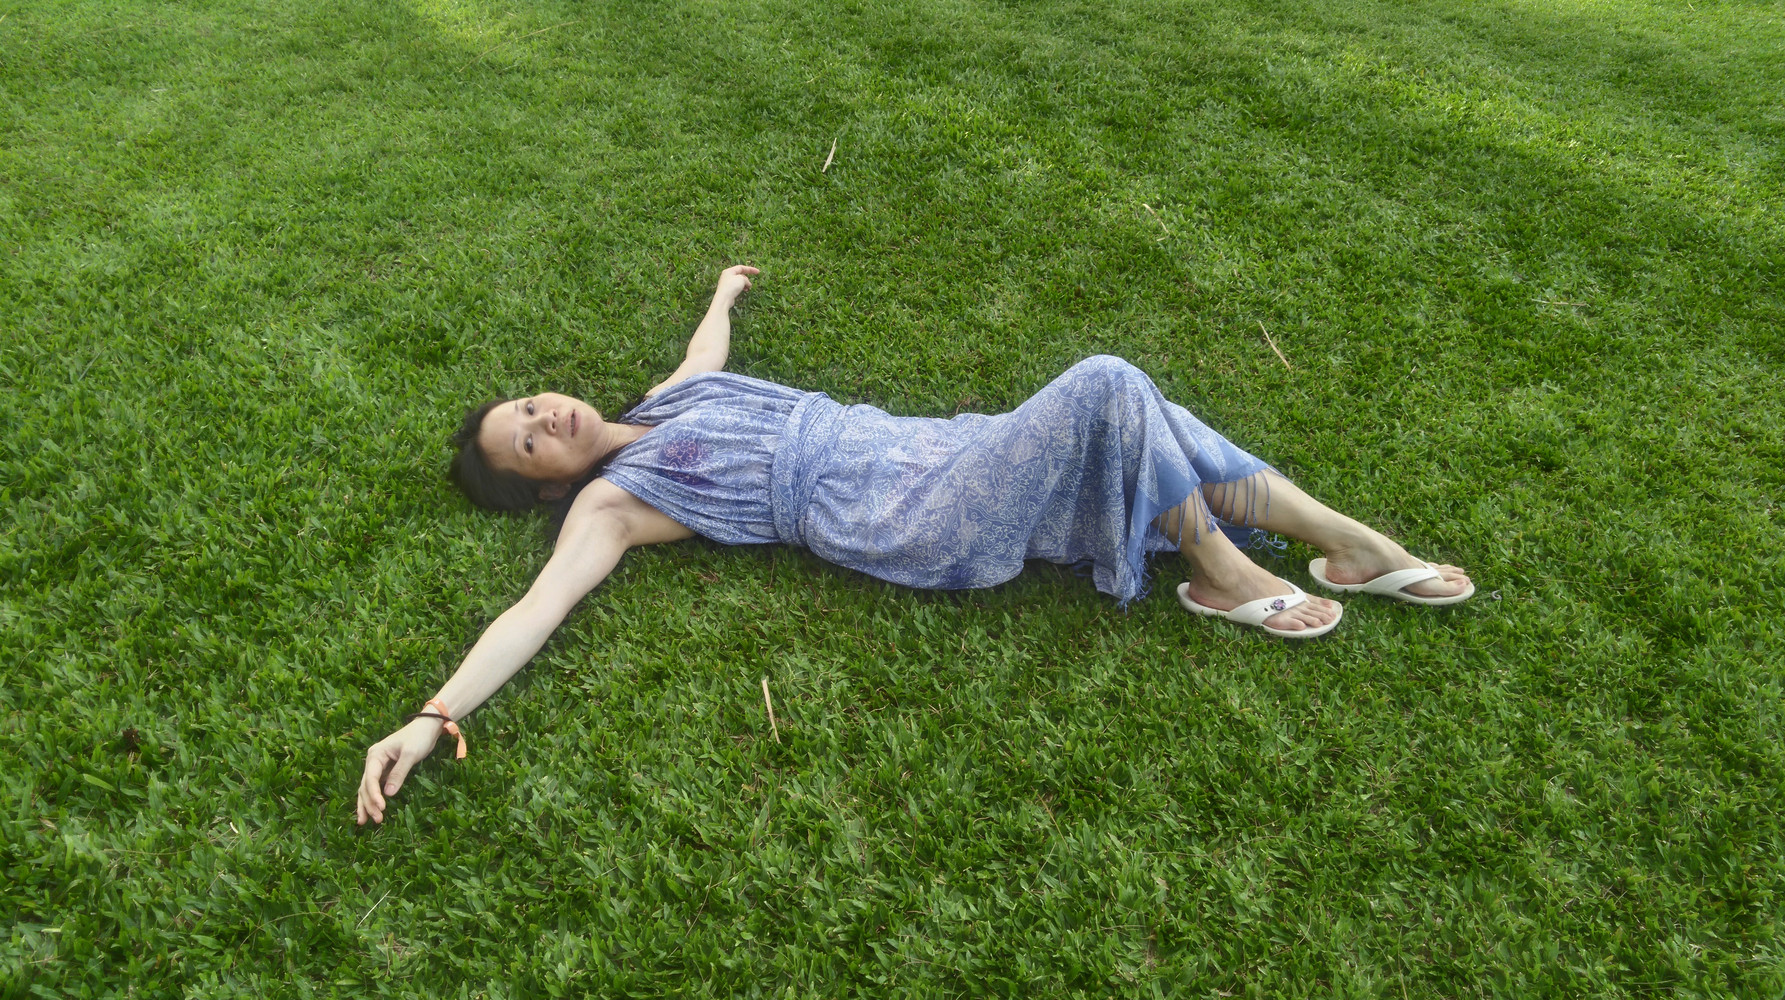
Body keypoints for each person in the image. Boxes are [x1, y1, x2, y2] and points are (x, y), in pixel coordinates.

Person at [355, 264, 1472, 825]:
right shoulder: (613, 503)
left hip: (947, 448)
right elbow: (536, 610)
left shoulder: (672, 396)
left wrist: (723, 289)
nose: (545, 418)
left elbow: (707, 345)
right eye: (528, 444)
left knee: (1153, 425)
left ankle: (1351, 545)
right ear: (545, 486)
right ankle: (1225, 574)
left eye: (529, 405)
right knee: (1107, 384)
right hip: (911, 521)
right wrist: (434, 714)